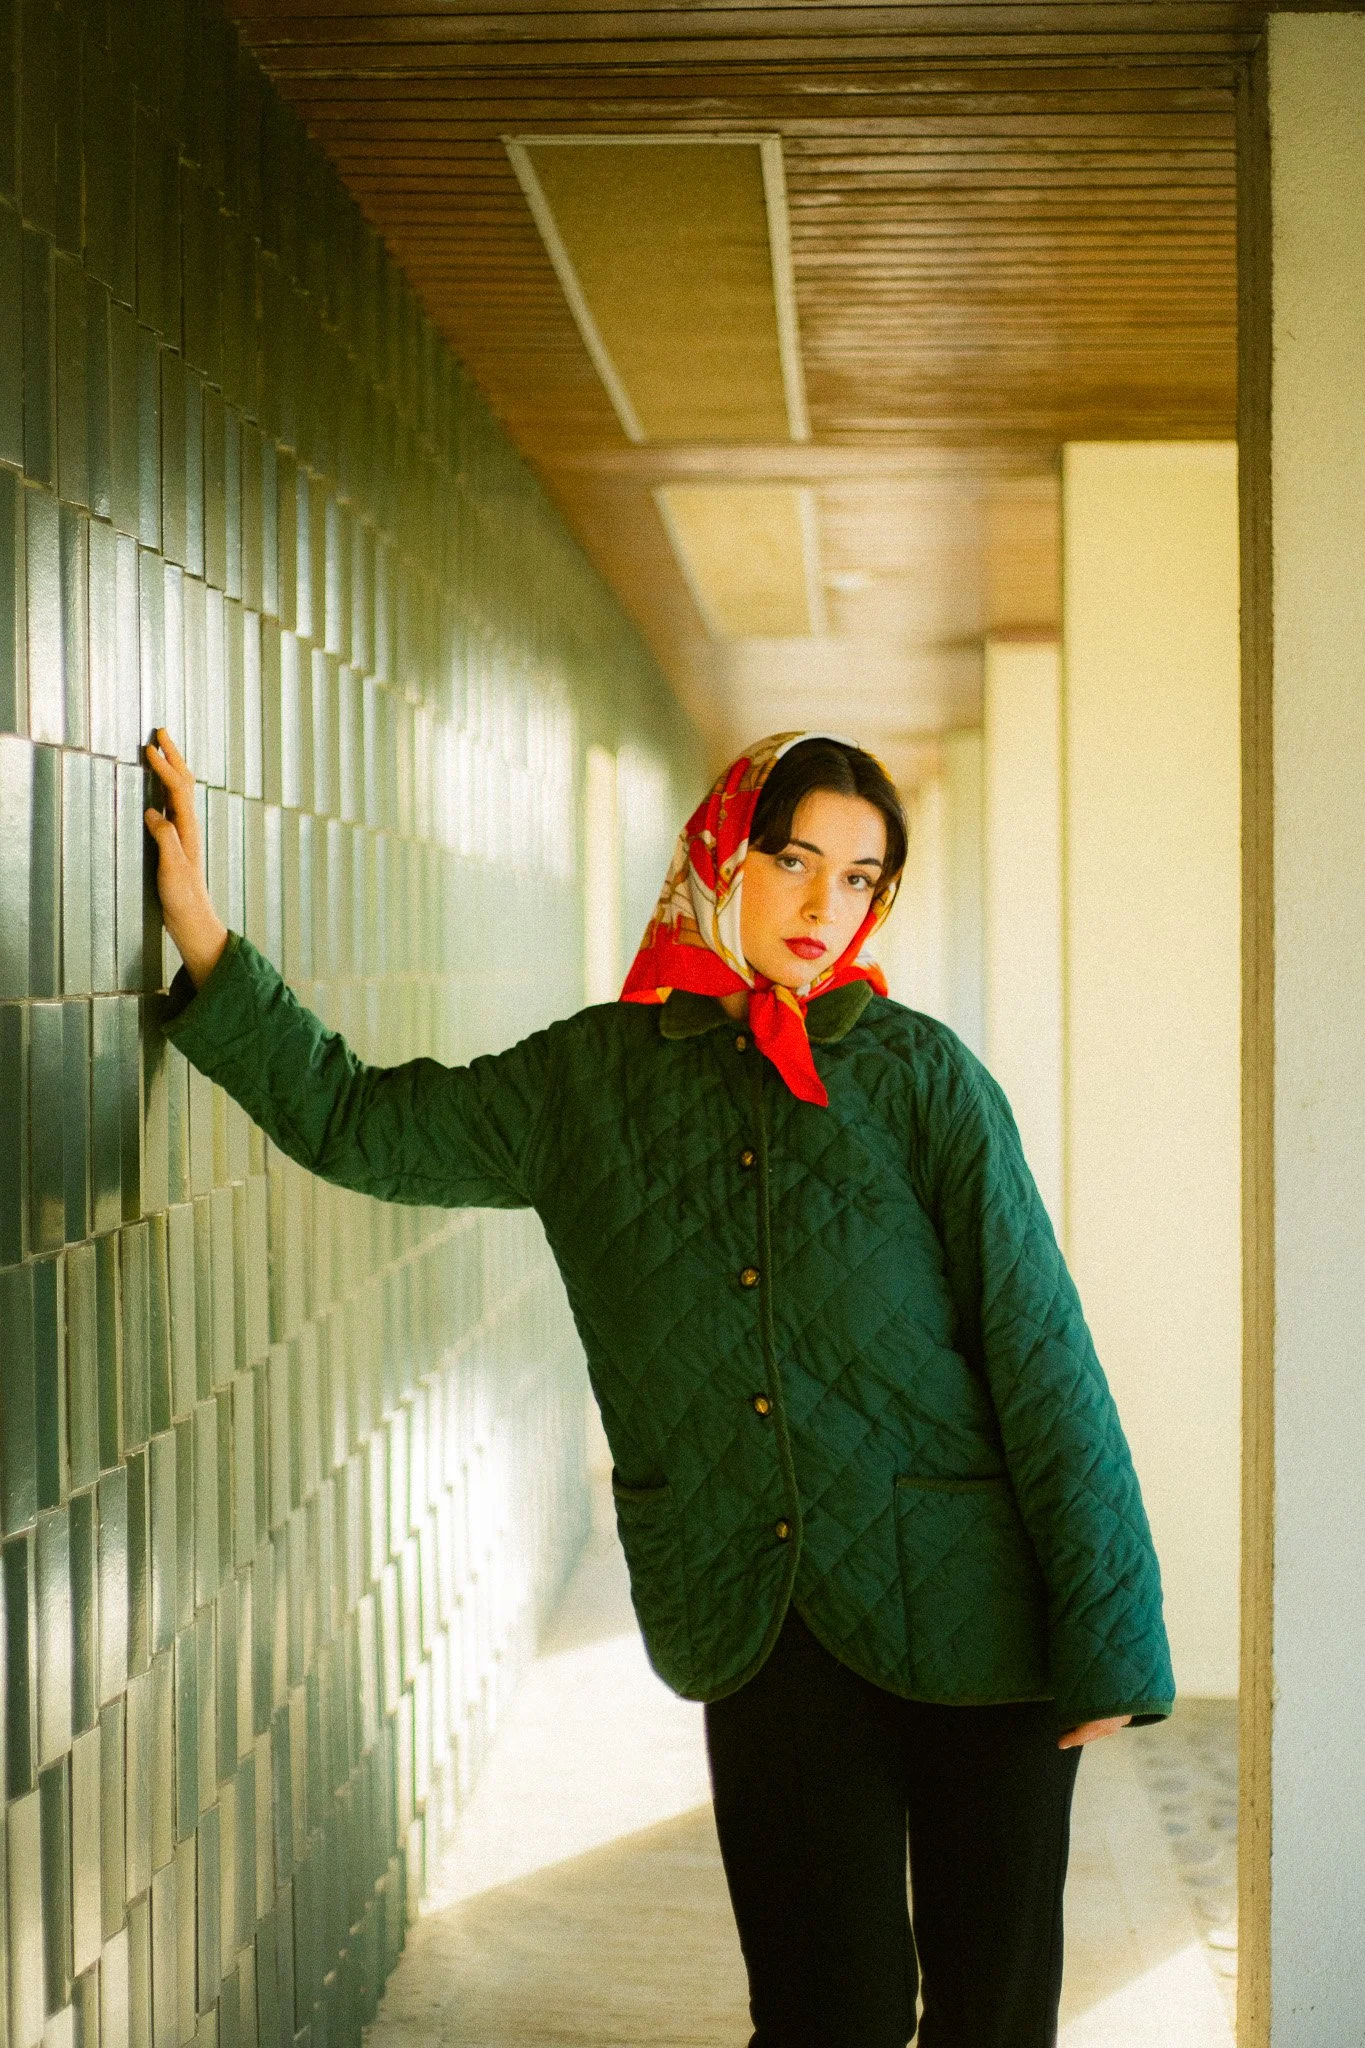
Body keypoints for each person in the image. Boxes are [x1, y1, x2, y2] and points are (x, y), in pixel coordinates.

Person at [145, 724, 1173, 2048]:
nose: (822, 903)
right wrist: (203, 935)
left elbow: (1043, 1356)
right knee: (829, 2013)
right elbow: (361, 1123)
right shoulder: (587, 1082)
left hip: (989, 1622)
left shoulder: (924, 1079)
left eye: (859, 877)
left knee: (993, 2014)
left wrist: (1111, 1637)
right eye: (793, 859)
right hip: (761, 1617)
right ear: (723, 854)